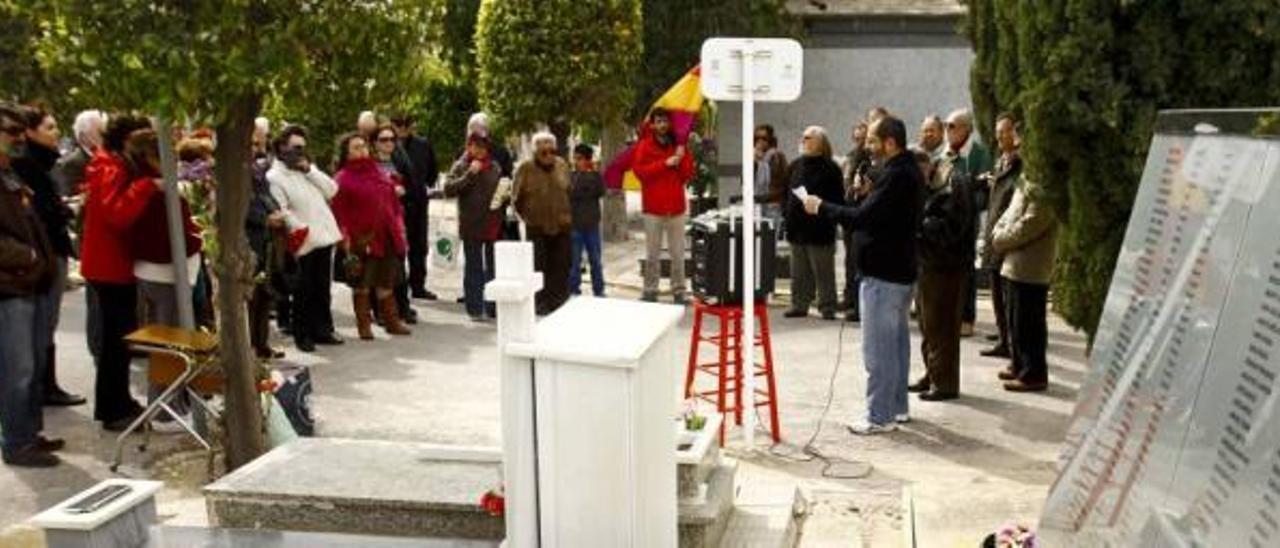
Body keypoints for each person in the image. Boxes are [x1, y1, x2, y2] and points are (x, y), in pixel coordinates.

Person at [802, 115, 923, 435]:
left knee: (879, 352)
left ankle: (878, 416)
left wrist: (821, 207)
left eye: (872, 140)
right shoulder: (901, 171)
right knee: (895, 347)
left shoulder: (898, 175)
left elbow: (862, 218)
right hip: (897, 274)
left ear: (890, 143)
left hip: (884, 276)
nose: (867, 146)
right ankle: (897, 409)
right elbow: (878, 212)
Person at [80, 113, 159, 432]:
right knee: (115, 341)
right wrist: (145, 186)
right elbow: (117, 214)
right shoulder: (109, 167)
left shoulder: (113, 164)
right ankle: (113, 409)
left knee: (120, 338)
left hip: (115, 263)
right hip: (109, 265)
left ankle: (119, 401)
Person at [0, 103, 63, 467]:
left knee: (33, 361)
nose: (19, 138)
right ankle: (17, 441)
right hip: (12, 287)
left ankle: (28, 433)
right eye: (11, 132)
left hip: (31, 283)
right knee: (18, 367)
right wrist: (28, 257)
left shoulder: (11, 173)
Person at [11, 105, 85, 407]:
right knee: (37, 331)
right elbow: (36, 213)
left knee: (44, 328)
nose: (56, 133)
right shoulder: (26, 166)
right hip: (39, 255)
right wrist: (66, 209)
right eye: (49, 127)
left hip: (45, 252)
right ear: (31, 132)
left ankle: (44, 389)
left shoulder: (37, 165)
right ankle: (38, 396)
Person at [267, 125, 343, 353]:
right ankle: (303, 333)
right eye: (295, 148)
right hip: (303, 239)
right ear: (282, 148)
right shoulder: (275, 176)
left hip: (324, 235)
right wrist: (302, 230)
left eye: (303, 148)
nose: (300, 152)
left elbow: (332, 190)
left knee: (322, 286)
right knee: (303, 289)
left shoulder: (307, 169)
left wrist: (310, 170)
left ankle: (323, 329)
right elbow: (282, 209)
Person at [909, 146, 975, 402]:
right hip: (929, 262)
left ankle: (945, 383)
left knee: (943, 327)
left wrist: (921, 225)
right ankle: (932, 374)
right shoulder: (935, 182)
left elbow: (952, 227)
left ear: (924, 167)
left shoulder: (952, 182)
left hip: (947, 265)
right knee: (928, 325)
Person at [332, 132, 412, 338]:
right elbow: (339, 212)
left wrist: (398, 225)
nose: (362, 150)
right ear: (346, 153)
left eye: (363, 146)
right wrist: (345, 238)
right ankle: (364, 326)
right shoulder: (342, 178)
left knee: (386, 283)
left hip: (386, 236)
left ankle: (391, 321)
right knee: (362, 285)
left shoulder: (378, 172)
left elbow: (392, 204)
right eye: (356, 147)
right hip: (361, 239)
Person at [992, 175, 1057, 393]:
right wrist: (998, 231)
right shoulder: (1026, 179)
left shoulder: (1045, 185)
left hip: (1032, 264)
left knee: (1029, 323)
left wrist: (1002, 239)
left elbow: (1031, 224)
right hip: (1013, 261)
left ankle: (1034, 374)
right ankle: (1019, 364)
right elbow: (1010, 213)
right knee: (1014, 320)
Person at [939, 109, 993, 338]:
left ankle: (966, 317)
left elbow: (984, 192)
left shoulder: (979, 154)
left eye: (951, 126)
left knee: (966, 271)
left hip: (965, 223)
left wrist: (966, 206)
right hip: (944, 222)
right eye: (945, 126)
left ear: (966, 129)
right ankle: (947, 313)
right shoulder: (945, 154)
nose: (947, 131)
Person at [438, 132, 502, 321]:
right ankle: (474, 308)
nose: (480, 150)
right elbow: (448, 189)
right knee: (474, 267)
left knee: (493, 268)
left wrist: (504, 194)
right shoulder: (461, 165)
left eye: (483, 146)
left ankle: (493, 307)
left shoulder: (494, 166)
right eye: (476, 146)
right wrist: (469, 174)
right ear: (469, 146)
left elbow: (497, 190)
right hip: (471, 224)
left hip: (492, 223)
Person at [783, 126, 845, 320]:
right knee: (798, 271)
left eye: (808, 138)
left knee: (823, 271)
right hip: (796, 228)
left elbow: (837, 199)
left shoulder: (831, 167)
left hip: (820, 229)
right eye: (803, 137)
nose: (803, 140)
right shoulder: (795, 165)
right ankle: (799, 304)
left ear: (820, 143)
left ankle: (827, 306)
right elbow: (786, 192)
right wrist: (787, 212)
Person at [633, 108, 694, 304]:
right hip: (653, 209)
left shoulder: (678, 145)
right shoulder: (644, 146)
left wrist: (682, 156)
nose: (662, 125)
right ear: (652, 124)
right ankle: (650, 290)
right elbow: (639, 173)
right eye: (658, 121)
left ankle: (679, 291)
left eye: (665, 121)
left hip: (676, 208)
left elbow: (687, 175)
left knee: (678, 254)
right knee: (652, 253)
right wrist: (664, 163)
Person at [977, 114, 1023, 359]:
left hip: (1007, 239)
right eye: (998, 132)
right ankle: (1004, 339)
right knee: (996, 294)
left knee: (1007, 299)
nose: (999, 136)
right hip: (994, 234)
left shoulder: (1020, 165)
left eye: (1004, 131)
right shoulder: (1001, 162)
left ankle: (1012, 344)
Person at [513, 132, 573, 315]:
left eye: (550, 147)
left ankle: (559, 302)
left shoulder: (562, 165)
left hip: (562, 225)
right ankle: (540, 303)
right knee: (538, 267)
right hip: (536, 227)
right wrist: (528, 218)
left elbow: (569, 191)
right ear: (535, 150)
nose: (547, 152)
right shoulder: (525, 168)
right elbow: (516, 199)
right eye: (542, 147)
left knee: (561, 266)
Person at [370, 123, 418, 325]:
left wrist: (403, 192)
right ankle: (381, 312)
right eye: (384, 139)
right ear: (374, 143)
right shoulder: (370, 165)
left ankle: (402, 307)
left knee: (399, 263)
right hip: (377, 222)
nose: (389, 143)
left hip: (398, 219)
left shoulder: (399, 161)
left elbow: (412, 185)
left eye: (392, 139)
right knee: (378, 267)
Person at [246, 121, 286, 360]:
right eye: (253, 144)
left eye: (261, 143)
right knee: (250, 299)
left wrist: (276, 212)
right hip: (248, 240)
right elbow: (240, 207)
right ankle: (249, 347)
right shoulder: (233, 170)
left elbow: (266, 196)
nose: (259, 149)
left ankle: (262, 344)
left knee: (264, 295)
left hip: (266, 241)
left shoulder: (258, 170)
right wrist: (265, 219)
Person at [391, 114, 440, 301]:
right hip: (397, 204)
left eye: (406, 124)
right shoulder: (388, 145)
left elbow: (432, 171)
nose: (402, 128)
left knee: (419, 246)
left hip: (418, 202)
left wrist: (423, 185)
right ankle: (398, 288)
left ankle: (418, 286)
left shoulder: (423, 144)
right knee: (398, 248)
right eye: (398, 124)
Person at [841, 120, 873, 322]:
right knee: (850, 261)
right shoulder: (853, 158)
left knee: (861, 261)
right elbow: (847, 182)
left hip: (864, 215)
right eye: (858, 134)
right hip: (850, 211)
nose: (862, 138)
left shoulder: (872, 162)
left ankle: (860, 306)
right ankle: (851, 299)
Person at [569, 143, 606, 297]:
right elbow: (571, 193)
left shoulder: (596, 176)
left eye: (580, 159)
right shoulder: (571, 176)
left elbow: (599, 191)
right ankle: (573, 289)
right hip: (574, 224)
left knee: (595, 261)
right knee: (574, 262)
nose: (576, 162)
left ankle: (599, 290)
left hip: (592, 224)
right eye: (575, 158)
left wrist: (590, 174)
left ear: (587, 160)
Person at [753, 124, 788, 222]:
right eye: (757, 138)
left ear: (770, 140)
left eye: (764, 138)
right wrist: (754, 162)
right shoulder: (753, 158)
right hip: (757, 204)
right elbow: (745, 181)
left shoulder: (776, 156)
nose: (760, 141)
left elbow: (784, 182)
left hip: (773, 205)